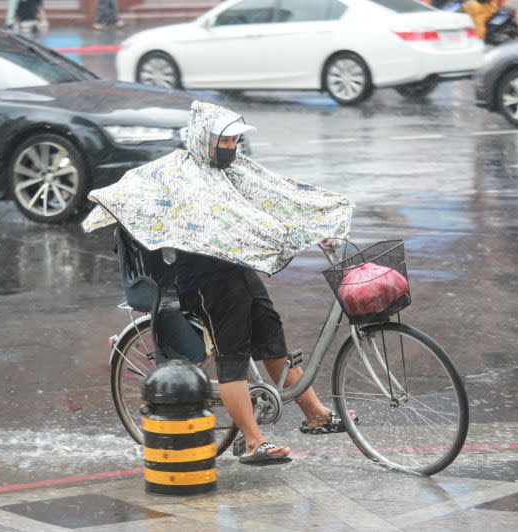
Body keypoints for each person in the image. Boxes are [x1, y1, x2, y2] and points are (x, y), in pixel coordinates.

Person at [82, 101, 357, 466]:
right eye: (223, 141)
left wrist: (316, 225)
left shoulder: (233, 169)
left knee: (273, 343)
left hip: (239, 270)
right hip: (205, 280)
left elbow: (277, 196)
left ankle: (316, 414)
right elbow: (149, 196)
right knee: (233, 358)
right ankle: (252, 440)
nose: (231, 147)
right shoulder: (181, 173)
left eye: (234, 140)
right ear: (203, 140)